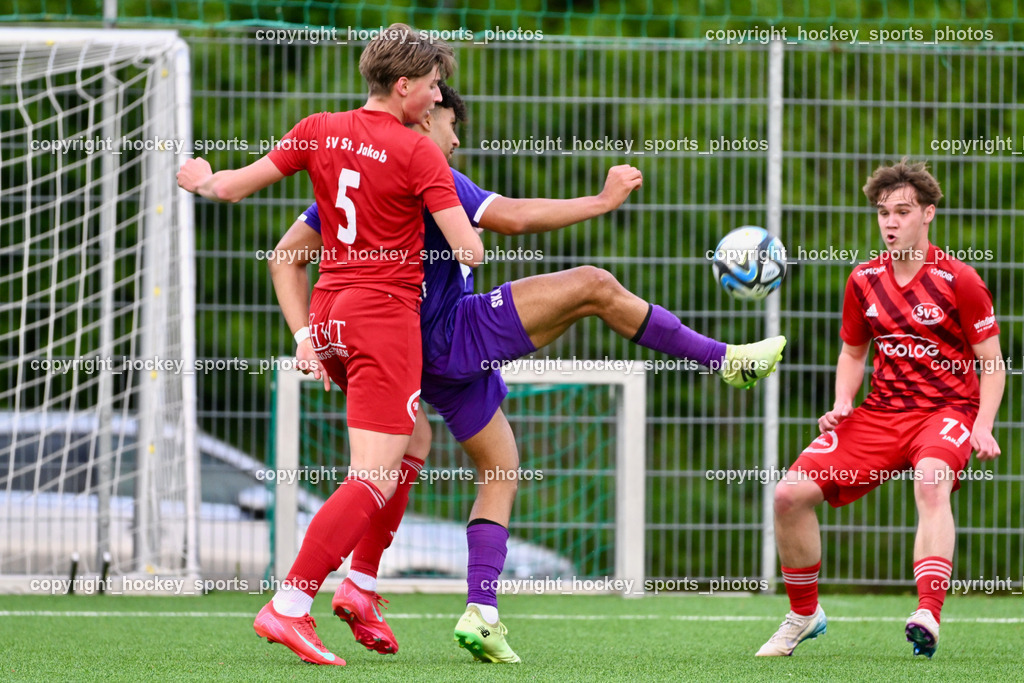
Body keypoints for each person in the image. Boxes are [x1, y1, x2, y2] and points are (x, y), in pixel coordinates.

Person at [268, 83, 787, 663]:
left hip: (397, 350)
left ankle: (451, 605)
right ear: (422, 115)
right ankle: (724, 360)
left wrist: (306, 335)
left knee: (490, 464)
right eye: (450, 122)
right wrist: (600, 201)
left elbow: (285, 256)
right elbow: (512, 216)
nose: (455, 139)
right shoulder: (424, 168)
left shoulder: (355, 177)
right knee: (593, 284)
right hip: (443, 335)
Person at [177, 24, 483, 666]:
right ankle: (290, 604)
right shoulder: (418, 151)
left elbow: (230, 188)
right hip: (382, 320)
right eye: (433, 87)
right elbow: (469, 247)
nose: (437, 99)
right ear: (404, 86)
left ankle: (361, 584)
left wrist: (202, 176)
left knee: (414, 441)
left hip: (328, 315)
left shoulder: (318, 128)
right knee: (371, 476)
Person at [755, 159, 1004, 659]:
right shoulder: (864, 279)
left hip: (947, 411)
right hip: (881, 413)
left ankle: (927, 612)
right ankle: (804, 614)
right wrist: (842, 402)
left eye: (902, 212)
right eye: (883, 213)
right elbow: (853, 353)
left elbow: (992, 364)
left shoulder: (960, 279)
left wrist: (983, 425)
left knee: (930, 481)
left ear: (928, 214)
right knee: (788, 495)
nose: (890, 223)